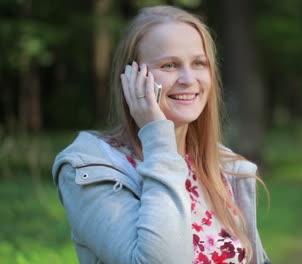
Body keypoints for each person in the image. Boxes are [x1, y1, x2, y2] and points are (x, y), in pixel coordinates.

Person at [52, 5, 271, 264]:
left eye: (199, 63)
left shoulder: (221, 165)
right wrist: (157, 136)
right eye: (169, 65)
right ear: (132, 77)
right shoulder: (92, 169)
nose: (189, 78)